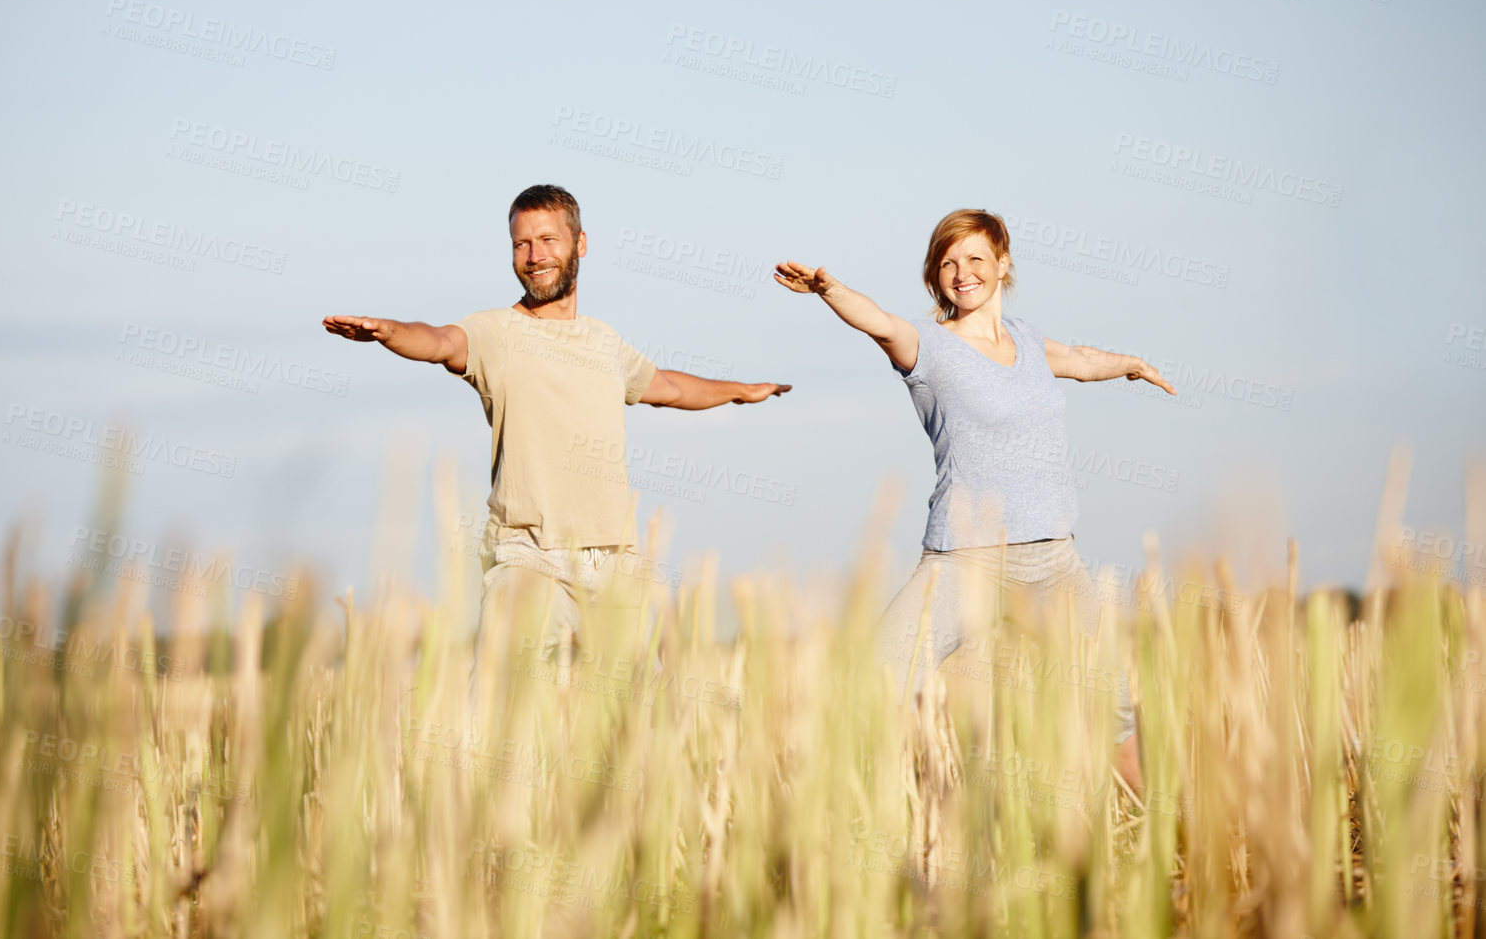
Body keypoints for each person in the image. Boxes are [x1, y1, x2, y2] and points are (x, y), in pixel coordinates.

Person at [324, 184, 790, 716]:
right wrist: (390, 332)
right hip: (528, 556)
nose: (534, 255)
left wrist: (737, 390)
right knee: (495, 709)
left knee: (651, 721)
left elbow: (668, 387)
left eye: (547, 239)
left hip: (613, 560)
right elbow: (440, 342)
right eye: (521, 244)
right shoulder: (495, 332)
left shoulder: (604, 342)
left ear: (580, 244)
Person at [774, 208, 1173, 792]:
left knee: (1110, 703)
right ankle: (836, 814)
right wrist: (829, 289)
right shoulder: (928, 348)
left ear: (1003, 263)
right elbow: (879, 322)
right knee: (882, 676)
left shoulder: (1030, 342)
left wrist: (1131, 366)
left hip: (1053, 563)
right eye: (948, 263)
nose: (962, 273)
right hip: (966, 559)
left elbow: (1082, 361)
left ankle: (1159, 825)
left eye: (975, 259)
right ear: (936, 277)